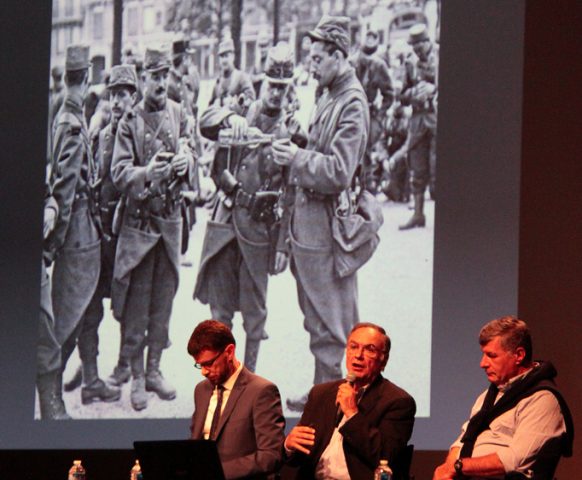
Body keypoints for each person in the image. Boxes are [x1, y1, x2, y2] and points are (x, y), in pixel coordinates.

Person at [271, 15, 370, 411]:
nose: (309, 66)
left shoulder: (352, 102)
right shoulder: (329, 93)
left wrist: (297, 156)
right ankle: (323, 394)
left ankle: (339, 407)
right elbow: (323, 149)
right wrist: (301, 141)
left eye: (316, 58)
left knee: (334, 324)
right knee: (317, 320)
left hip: (328, 230)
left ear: (338, 55)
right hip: (309, 228)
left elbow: (340, 171)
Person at [193, 42, 306, 373]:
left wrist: (284, 242)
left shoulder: (292, 130)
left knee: (255, 315)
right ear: (262, 82)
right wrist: (229, 117)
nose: (276, 94)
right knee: (219, 311)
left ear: (289, 90)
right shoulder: (241, 112)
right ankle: (218, 380)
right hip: (227, 223)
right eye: (271, 85)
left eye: (283, 88)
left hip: (259, 230)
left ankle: (249, 381)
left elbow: (292, 192)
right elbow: (206, 122)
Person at [110, 44, 195, 411]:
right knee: (138, 304)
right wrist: (148, 173)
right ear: (143, 78)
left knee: (164, 302)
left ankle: (155, 368)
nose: (161, 82)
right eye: (154, 76)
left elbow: (194, 151)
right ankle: (137, 378)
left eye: (165, 76)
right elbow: (118, 173)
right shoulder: (129, 122)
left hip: (170, 224)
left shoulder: (178, 113)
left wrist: (186, 162)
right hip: (141, 228)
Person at [433, 316, 574, 480]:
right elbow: (464, 438)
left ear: (519, 355)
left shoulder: (542, 399)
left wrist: (458, 467)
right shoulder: (489, 395)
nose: (482, 363)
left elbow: (515, 460)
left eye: (491, 355)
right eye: (483, 355)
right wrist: (447, 469)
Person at [74, 65, 140, 403]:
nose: (117, 101)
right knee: (90, 307)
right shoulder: (100, 134)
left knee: (128, 307)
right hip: (102, 235)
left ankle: (124, 365)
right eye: (113, 95)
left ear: (134, 98)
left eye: (123, 94)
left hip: (128, 236)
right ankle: (89, 371)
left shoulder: (139, 133)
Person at [45, 44, 102, 417]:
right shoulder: (71, 120)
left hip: (84, 229)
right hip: (77, 235)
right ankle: (52, 400)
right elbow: (64, 189)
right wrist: (54, 244)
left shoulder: (67, 112)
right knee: (66, 318)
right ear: (88, 77)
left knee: (85, 311)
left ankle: (88, 380)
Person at [284, 322, 416, 479]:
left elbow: (384, 458)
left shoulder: (398, 402)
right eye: (353, 347)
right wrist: (289, 446)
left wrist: (352, 414)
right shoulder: (321, 394)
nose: (358, 355)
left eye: (369, 349)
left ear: (383, 360)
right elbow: (299, 458)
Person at [188, 320, 285, 480]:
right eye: (200, 365)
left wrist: (216, 471)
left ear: (229, 352)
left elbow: (271, 455)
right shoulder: (201, 390)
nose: (204, 372)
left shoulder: (262, 391)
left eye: (209, 364)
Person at [398, 23, 438, 229]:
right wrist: (415, 93)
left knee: (438, 169)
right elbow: (401, 95)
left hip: (437, 118)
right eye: (413, 47)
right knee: (417, 167)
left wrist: (434, 88)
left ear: (427, 42)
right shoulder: (410, 63)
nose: (416, 51)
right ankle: (418, 214)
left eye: (419, 46)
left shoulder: (441, 57)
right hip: (418, 120)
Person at [350, 29, 394, 193]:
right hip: (351, 112)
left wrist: (380, 115)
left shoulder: (379, 66)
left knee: (367, 156)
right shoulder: (350, 63)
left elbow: (389, 94)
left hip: (369, 114)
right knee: (349, 151)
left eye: (373, 38)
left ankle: (367, 192)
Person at [209, 38, 256, 115]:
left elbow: (251, 100)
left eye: (226, 56)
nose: (224, 60)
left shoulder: (241, 77)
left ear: (233, 56)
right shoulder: (218, 81)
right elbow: (210, 106)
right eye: (221, 57)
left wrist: (237, 103)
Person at [250, 32, 271, 97]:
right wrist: (260, 77)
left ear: (268, 46)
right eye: (261, 47)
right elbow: (250, 78)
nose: (262, 50)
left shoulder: (272, 61)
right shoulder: (257, 63)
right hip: (258, 96)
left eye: (264, 46)